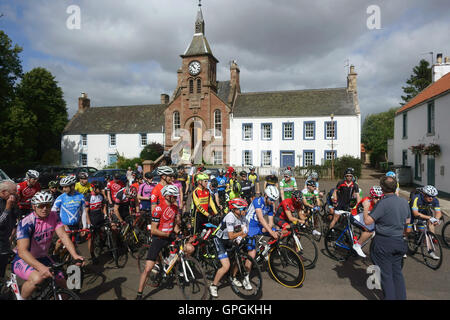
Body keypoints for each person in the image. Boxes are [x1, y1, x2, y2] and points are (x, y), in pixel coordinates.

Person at [11, 191, 85, 300]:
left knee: (62, 283)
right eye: (41, 206)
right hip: (24, 259)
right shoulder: (27, 222)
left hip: (43, 257)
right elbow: (22, 251)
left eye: (48, 205)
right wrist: (41, 268)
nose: (45, 209)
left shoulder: (54, 216)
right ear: (34, 207)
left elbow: (63, 236)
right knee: (37, 278)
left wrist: (75, 255)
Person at [136, 185, 191, 300]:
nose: (175, 198)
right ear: (167, 196)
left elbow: (174, 226)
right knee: (148, 268)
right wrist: (167, 234)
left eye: (176, 196)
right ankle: (139, 293)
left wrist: (179, 232)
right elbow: (154, 229)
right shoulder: (158, 209)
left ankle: (174, 268)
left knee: (189, 248)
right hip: (159, 238)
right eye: (173, 196)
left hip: (170, 236)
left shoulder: (175, 208)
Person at [364, 176, 410, 300]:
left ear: (382, 189)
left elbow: (368, 221)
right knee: (397, 274)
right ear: (395, 187)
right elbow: (408, 226)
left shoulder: (382, 203)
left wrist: (365, 207)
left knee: (386, 276)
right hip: (399, 241)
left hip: (383, 242)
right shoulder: (404, 202)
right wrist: (403, 235)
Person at [209, 198, 249, 298]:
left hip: (230, 239)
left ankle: (233, 277)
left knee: (238, 257)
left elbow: (245, 232)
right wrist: (241, 233)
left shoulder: (242, 216)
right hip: (220, 240)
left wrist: (240, 236)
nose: (245, 210)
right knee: (226, 266)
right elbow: (232, 235)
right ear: (235, 209)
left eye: (245, 208)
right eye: (243, 208)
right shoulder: (230, 217)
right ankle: (213, 285)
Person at [245, 186, 279, 272]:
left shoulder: (271, 205)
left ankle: (265, 250)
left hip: (258, 225)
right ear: (266, 196)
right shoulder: (257, 201)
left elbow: (270, 223)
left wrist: (269, 230)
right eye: (271, 199)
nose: (272, 202)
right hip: (250, 225)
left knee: (278, 233)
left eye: (274, 200)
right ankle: (246, 276)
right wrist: (270, 232)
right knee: (251, 254)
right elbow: (261, 218)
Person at [408, 185, 442, 259]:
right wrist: (430, 217)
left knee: (425, 231)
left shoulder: (435, 200)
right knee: (407, 230)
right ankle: (403, 246)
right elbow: (415, 213)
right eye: (429, 196)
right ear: (424, 194)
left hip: (424, 212)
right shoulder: (416, 198)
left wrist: (436, 219)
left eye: (433, 196)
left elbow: (438, 212)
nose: (431, 198)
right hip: (411, 213)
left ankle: (430, 249)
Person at [350, 186, 384, 258]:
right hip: (355, 216)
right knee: (370, 230)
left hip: (364, 215)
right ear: (372, 196)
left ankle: (361, 240)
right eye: (376, 197)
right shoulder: (367, 201)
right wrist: (366, 207)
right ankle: (357, 245)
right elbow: (366, 220)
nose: (378, 199)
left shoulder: (379, 202)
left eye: (380, 197)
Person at [84, 182, 106, 264]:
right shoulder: (88, 197)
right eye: (99, 189)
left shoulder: (101, 196)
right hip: (92, 219)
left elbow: (103, 206)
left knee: (104, 233)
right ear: (94, 188)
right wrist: (89, 223)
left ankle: (102, 245)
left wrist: (105, 214)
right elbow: (86, 212)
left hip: (100, 217)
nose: (100, 190)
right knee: (91, 239)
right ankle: (92, 255)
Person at [0, 180, 18, 280]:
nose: (15, 195)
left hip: (6, 242)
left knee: (2, 270)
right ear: (3, 192)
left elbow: (16, 219)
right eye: (13, 192)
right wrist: (7, 208)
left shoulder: (11, 201)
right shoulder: (6, 203)